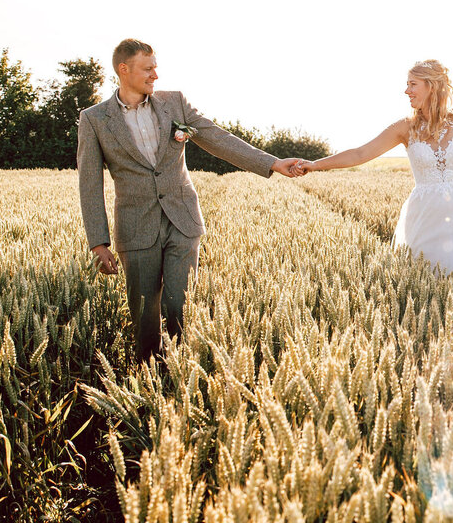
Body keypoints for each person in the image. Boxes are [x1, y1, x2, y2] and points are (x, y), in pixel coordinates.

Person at [77, 38, 303, 364]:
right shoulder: (95, 119)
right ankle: (150, 379)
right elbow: (89, 184)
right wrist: (98, 243)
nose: (156, 74)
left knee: (178, 304)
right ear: (123, 70)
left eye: (156, 66)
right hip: (135, 226)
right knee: (144, 315)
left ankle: (181, 373)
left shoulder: (175, 103)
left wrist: (271, 162)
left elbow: (217, 138)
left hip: (183, 219)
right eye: (148, 68)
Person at [295, 60, 453, 290]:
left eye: (413, 84)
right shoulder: (405, 128)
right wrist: (314, 164)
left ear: (432, 86)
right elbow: (360, 153)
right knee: (424, 287)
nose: (407, 90)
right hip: (424, 218)